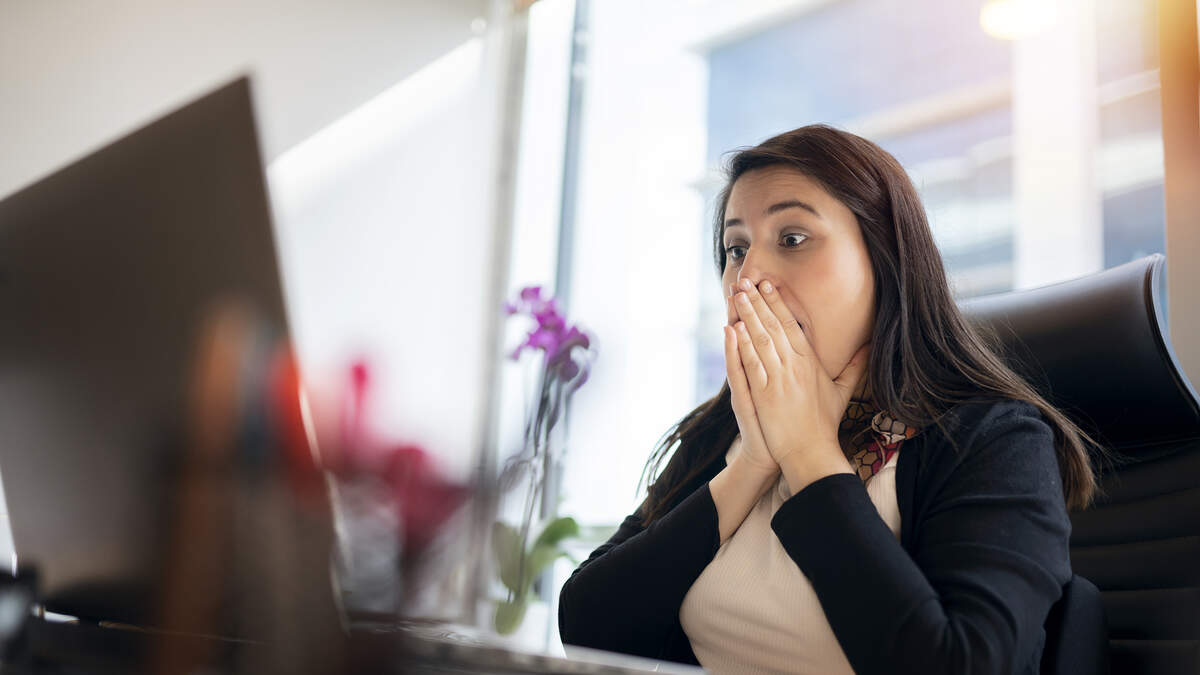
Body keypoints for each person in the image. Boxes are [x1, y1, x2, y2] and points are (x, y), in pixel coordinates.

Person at [557, 125, 1109, 674]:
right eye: (736, 249)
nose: (748, 277)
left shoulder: (995, 440)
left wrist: (808, 453)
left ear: (885, 260)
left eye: (792, 239)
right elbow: (588, 628)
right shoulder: (724, 430)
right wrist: (754, 462)